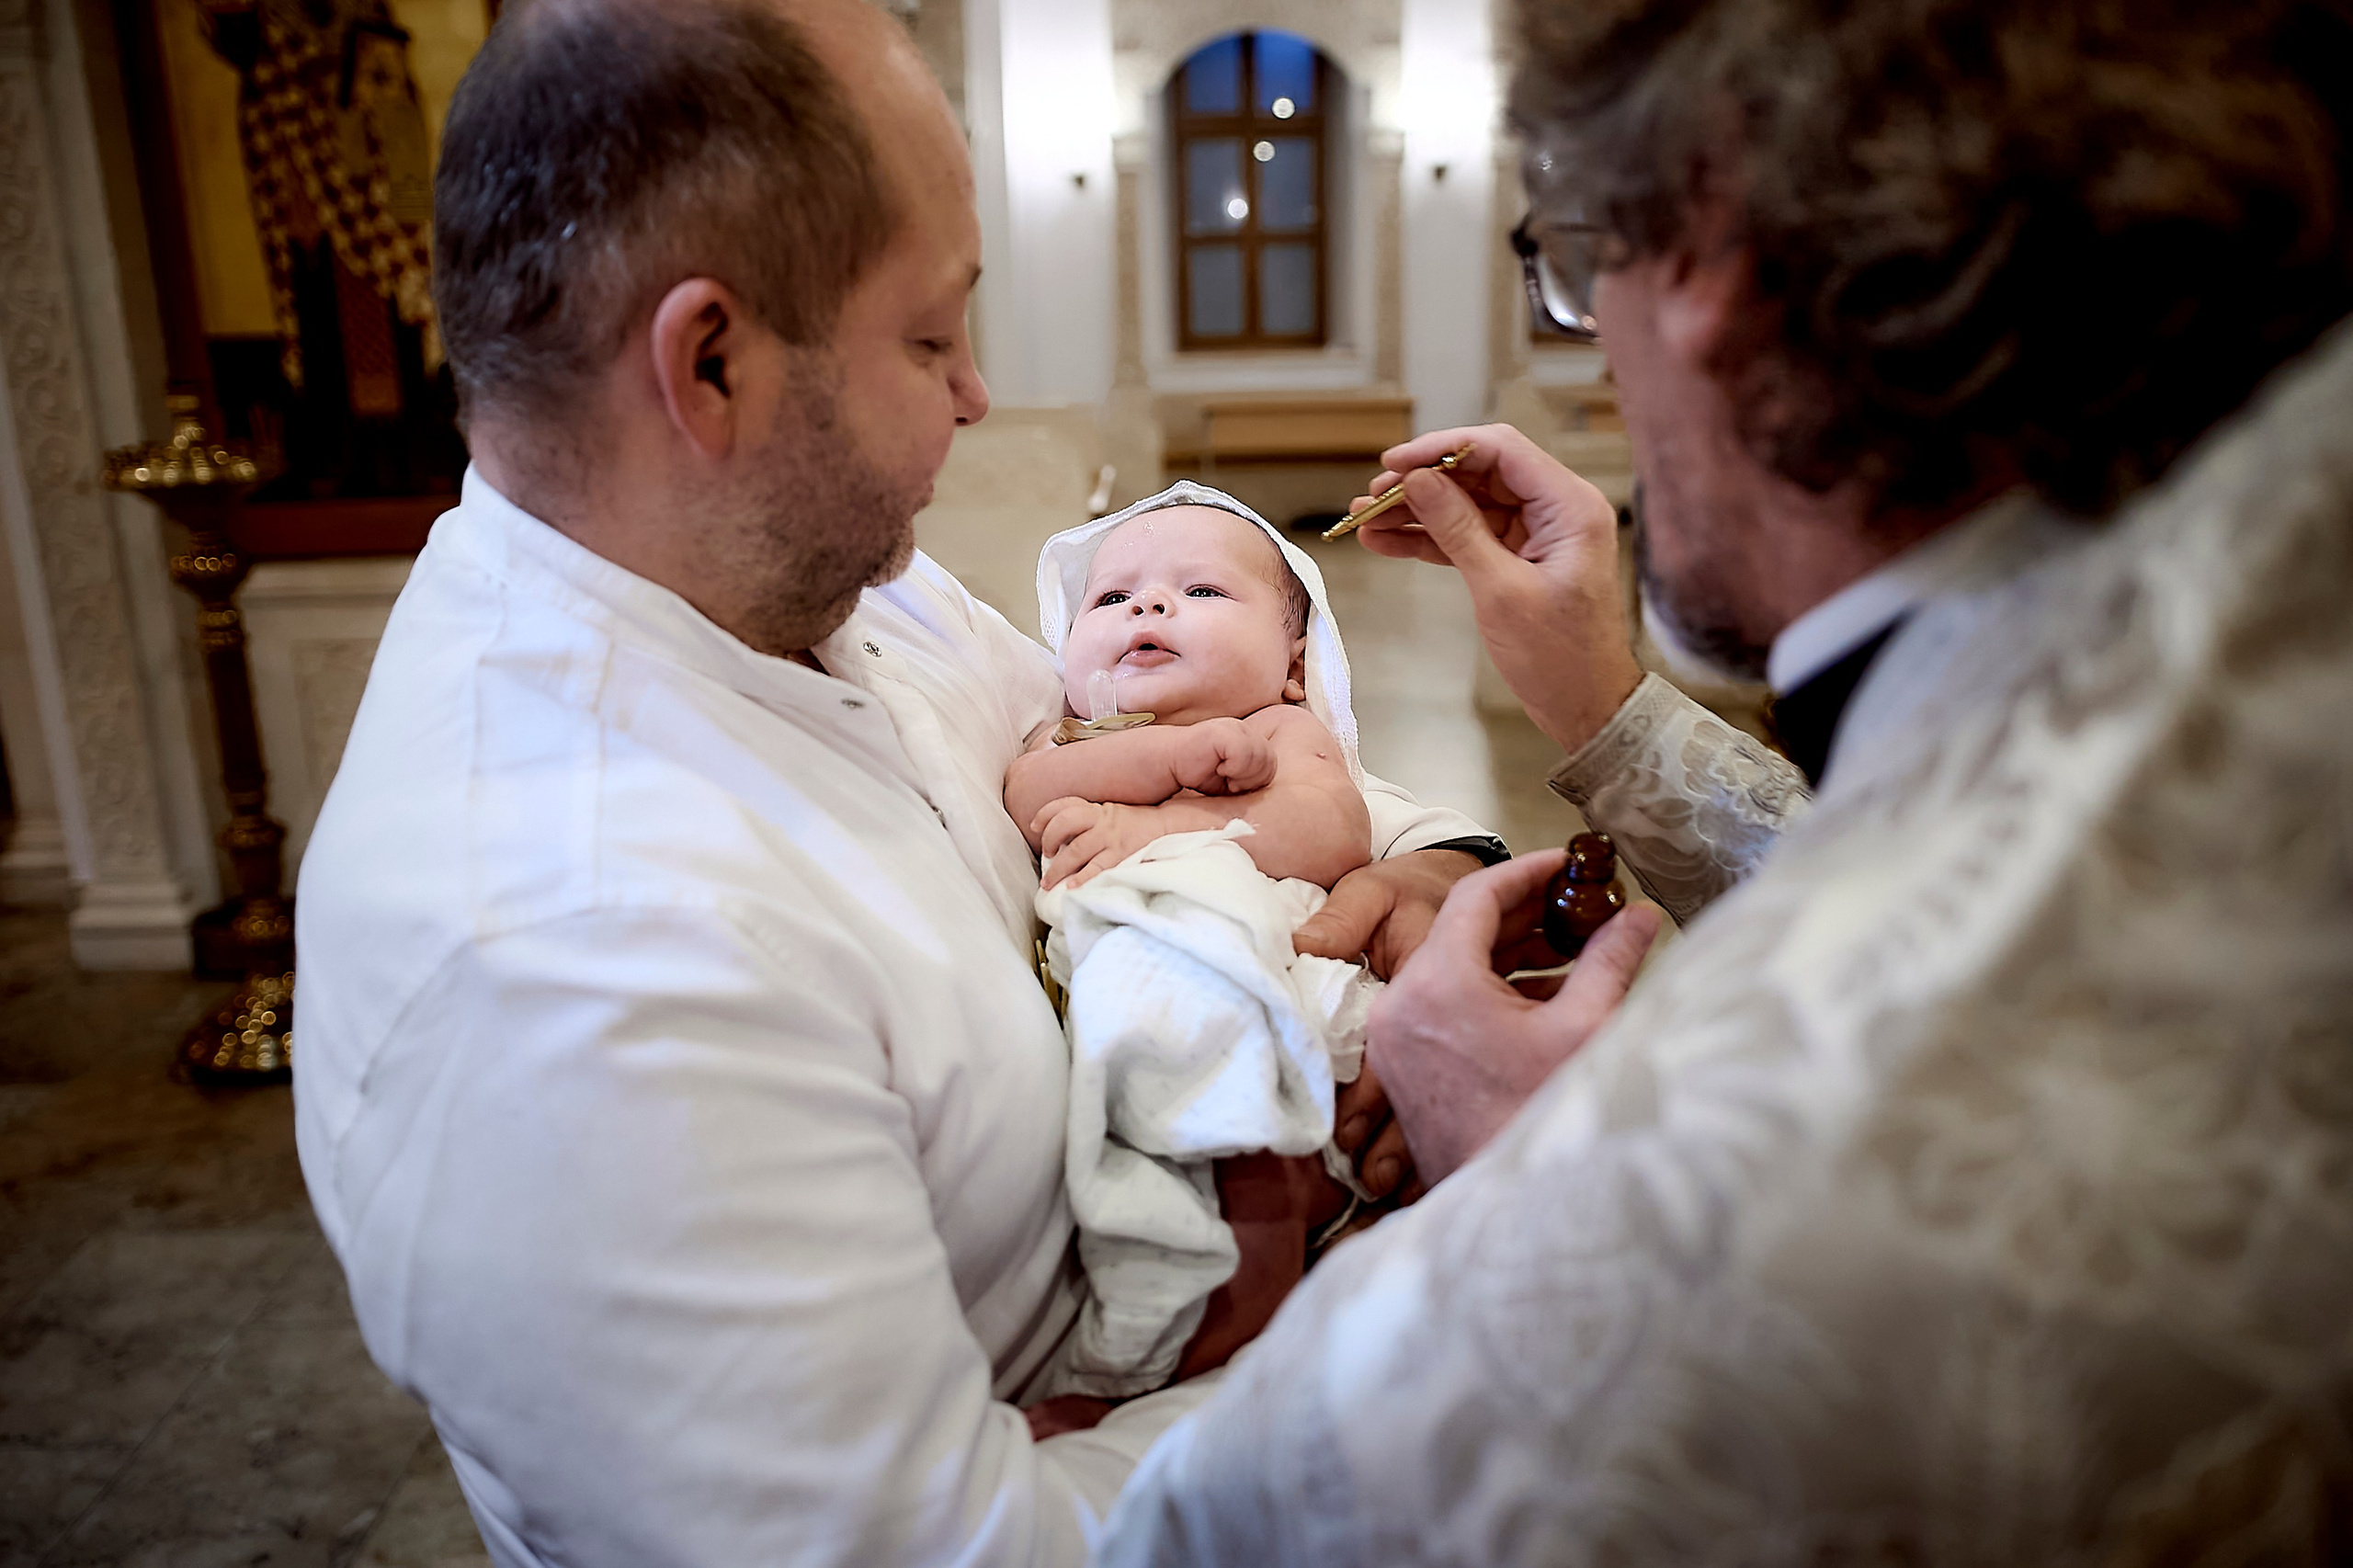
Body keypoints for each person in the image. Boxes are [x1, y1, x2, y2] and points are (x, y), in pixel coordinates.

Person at [1100, 0, 2353, 1559]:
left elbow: (1214, 1531)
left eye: (1576, 264)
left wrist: (1531, 1180)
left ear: (1702, 255)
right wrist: (1601, 701)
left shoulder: (1701, 1199)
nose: (1595, 341)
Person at [289, 0, 1505, 1562]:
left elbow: (1188, 753)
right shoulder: (574, 958)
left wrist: (1426, 873)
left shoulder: (838, 583)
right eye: (931, 337)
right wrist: (1458, 1294)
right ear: (709, 363)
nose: (981, 395)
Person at [1009, 483, 1419, 1402]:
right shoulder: (1064, 733)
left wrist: (1146, 831)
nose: (1149, 607)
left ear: (1291, 661)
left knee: (1247, 1146)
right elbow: (1032, 793)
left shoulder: (1282, 727)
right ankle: (1160, 1326)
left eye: (1201, 592)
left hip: (1268, 976)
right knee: (1142, 1183)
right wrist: (1164, 762)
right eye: (1110, 598)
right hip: (1126, 1007)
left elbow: (1330, 832)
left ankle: (1242, 1319)